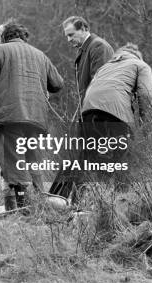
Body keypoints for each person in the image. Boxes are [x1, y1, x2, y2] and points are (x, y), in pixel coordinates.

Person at [0, 20, 64, 211]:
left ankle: (23, 209)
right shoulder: (40, 55)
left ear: (4, 37)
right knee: (33, 162)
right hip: (36, 119)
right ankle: (39, 207)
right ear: (23, 37)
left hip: (8, 117)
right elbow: (58, 83)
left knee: (14, 163)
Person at [49, 16, 114, 200]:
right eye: (67, 36)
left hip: (98, 116)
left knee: (91, 160)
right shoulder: (86, 49)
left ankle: (74, 202)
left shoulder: (98, 47)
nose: (69, 40)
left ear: (84, 28)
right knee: (80, 158)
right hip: (89, 114)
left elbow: (100, 84)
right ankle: (65, 200)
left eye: (71, 35)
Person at [80, 43, 152, 183]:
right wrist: (146, 129)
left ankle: (84, 198)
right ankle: (120, 196)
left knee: (91, 159)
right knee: (124, 157)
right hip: (115, 114)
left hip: (88, 112)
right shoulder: (141, 65)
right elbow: (146, 96)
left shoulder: (104, 67)